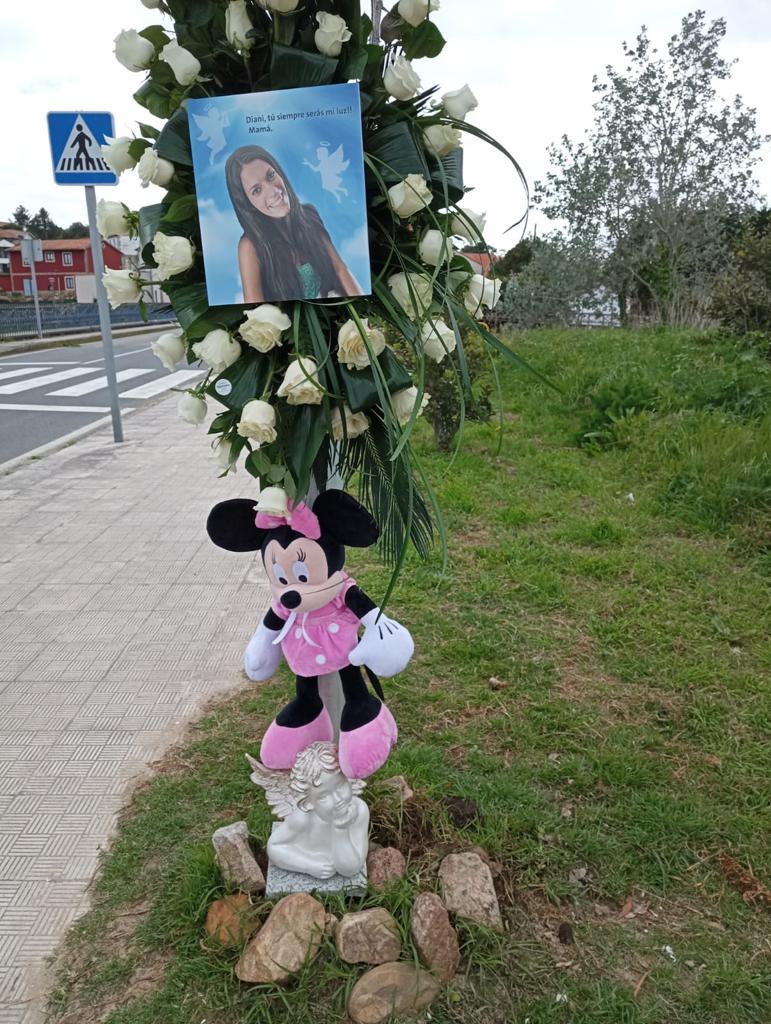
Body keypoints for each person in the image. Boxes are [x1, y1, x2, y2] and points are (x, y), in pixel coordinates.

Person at [225, 145, 362, 302]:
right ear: (247, 204)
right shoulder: (249, 246)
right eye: (257, 190)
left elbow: (340, 270)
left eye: (271, 176)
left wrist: (361, 311)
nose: (273, 191)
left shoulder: (309, 215)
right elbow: (255, 309)